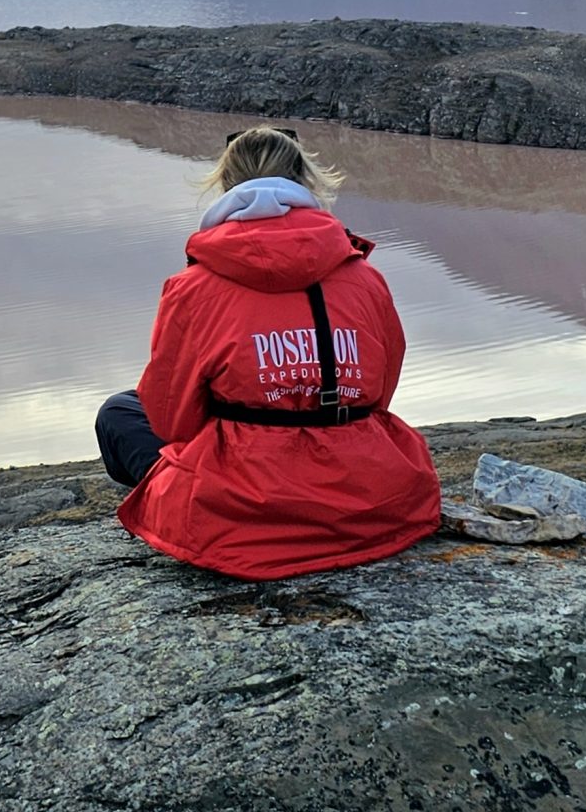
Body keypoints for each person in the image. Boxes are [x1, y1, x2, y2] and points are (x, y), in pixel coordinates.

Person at [95, 125, 441, 580]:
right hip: (373, 504)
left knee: (120, 413)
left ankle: (195, 510)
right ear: (307, 181)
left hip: (246, 518)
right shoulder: (365, 278)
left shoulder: (192, 287)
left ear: (225, 185)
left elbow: (172, 421)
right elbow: (379, 394)